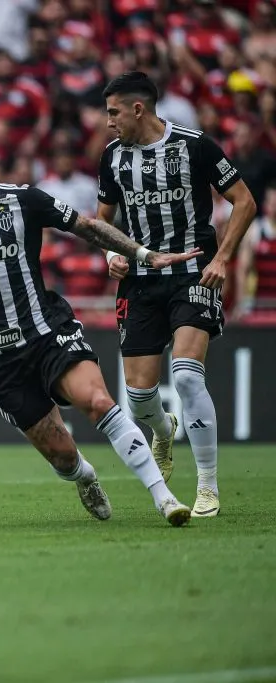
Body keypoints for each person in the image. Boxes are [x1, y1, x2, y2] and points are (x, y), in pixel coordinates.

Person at [0, 127, 197, 526]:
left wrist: (143, 253)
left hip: (46, 332)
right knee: (62, 456)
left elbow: (88, 226)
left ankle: (165, 498)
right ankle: (84, 475)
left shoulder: (23, 199)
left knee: (98, 402)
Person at [97, 72, 257, 518]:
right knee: (139, 396)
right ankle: (163, 431)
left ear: (137, 109)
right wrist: (112, 252)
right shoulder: (112, 157)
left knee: (186, 377)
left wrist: (222, 258)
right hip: (141, 281)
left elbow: (244, 201)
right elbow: (103, 217)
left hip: (194, 274)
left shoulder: (196, 145)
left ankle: (207, 485)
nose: (108, 122)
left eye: (113, 112)